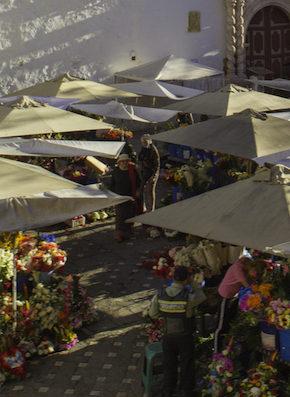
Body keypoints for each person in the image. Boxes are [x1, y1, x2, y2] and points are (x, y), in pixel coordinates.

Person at [148, 265, 206, 397]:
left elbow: (153, 314)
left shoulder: (160, 295)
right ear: (186, 279)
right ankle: (187, 391)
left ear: (173, 278)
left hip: (168, 335)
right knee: (187, 363)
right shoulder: (188, 298)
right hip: (185, 336)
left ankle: (168, 391)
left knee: (169, 364)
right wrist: (193, 283)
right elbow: (202, 296)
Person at [213, 256, 252, 352]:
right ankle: (216, 350)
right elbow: (247, 286)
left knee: (230, 319)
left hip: (234, 296)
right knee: (221, 323)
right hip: (225, 295)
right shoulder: (238, 270)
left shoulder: (242, 266)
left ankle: (227, 344)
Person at [110, 153, 142, 242]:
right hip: (119, 196)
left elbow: (138, 181)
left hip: (130, 196)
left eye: (126, 162)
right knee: (120, 216)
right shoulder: (116, 171)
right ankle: (120, 234)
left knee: (130, 213)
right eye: (122, 162)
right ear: (119, 163)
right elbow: (112, 184)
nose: (124, 163)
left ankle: (128, 229)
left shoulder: (132, 170)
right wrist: (112, 196)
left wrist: (138, 191)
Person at [137, 134, 160, 213]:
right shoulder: (143, 150)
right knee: (141, 189)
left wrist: (154, 175)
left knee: (150, 190)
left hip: (152, 171)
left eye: (145, 143)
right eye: (142, 143)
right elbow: (140, 160)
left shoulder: (153, 150)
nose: (143, 144)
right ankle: (143, 207)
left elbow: (157, 164)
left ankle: (151, 208)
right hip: (144, 171)